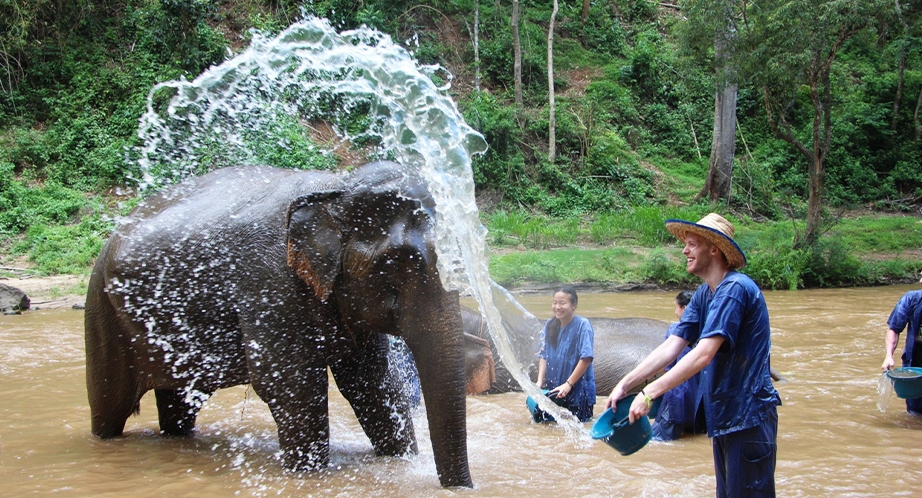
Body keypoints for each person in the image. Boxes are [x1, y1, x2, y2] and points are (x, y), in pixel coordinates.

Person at [605, 213, 781, 497]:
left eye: (691, 244)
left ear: (714, 248)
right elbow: (672, 345)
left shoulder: (734, 288)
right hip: (725, 417)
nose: (684, 251)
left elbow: (703, 354)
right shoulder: (705, 294)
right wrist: (627, 383)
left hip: (749, 416)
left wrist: (649, 393)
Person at [536, 286, 596, 422]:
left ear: (574, 305)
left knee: (579, 430)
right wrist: (539, 382)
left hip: (578, 392)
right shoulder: (550, 325)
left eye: (562, 303)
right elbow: (543, 355)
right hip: (555, 391)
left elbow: (586, 358)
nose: (557, 307)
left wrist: (569, 384)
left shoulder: (582, 325)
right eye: (554, 302)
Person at [651, 290, 702, 441]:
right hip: (700, 400)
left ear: (685, 308)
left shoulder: (676, 330)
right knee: (694, 439)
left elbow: (667, 363)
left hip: (678, 396)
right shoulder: (707, 331)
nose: (675, 311)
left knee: (656, 440)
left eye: (676, 307)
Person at [881, 270, 922, 415]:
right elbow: (894, 329)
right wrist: (889, 356)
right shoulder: (911, 299)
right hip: (916, 369)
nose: (920, 281)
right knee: (915, 414)